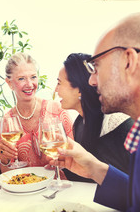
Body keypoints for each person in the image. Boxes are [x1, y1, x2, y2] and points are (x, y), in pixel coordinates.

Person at [50, 12, 140, 211]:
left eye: (96, 67)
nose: (91, 81)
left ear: (129, 61)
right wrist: (93, 168)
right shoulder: (137, 132)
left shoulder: (124, 127)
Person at [55, 53, 133, 182]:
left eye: (59, 83)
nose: (56, 90)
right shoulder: (80, 122)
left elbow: (129, 187)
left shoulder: (120, 126)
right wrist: (61, 168)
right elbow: (85, 175)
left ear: (79, 89)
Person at [0, 53, 74, 173]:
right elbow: (7, 173)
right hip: (26, 187)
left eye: (33, 77)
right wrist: (5, 160)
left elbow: (75, 156)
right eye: (21, 78)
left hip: (59, 185)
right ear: (9, 83)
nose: (29, 84)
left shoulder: (57, 110)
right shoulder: (7, 121)